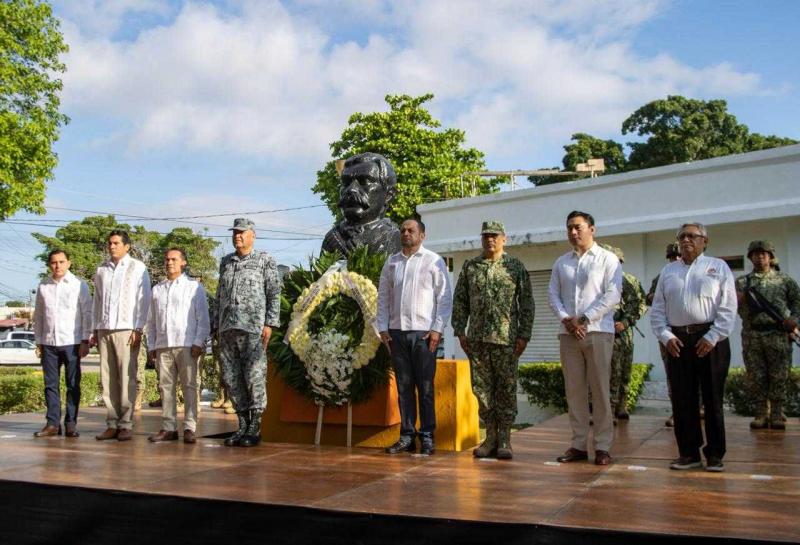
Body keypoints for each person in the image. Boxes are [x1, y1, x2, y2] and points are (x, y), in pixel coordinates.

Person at [650, 223, 737, 472]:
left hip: (711, 341)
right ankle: (688, 453)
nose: (686, 240)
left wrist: (713, 336)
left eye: (692, 236)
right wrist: (666, 336)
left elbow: (728, 306)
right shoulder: (668, 271)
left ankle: (715, 454)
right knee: (682, 400)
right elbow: (657, 309)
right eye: (682, 236)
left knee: (712, 399)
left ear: (704, 241)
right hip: (678, 342)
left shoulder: (718, 267)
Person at [452, 221, 534, 460]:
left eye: (495, 236)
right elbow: (460, 301)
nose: (490, 239)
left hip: (506, 340)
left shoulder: (515, 267)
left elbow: (527, 303)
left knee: (506, 389)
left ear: (504, 239)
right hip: (477, 339)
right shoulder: (471, 267)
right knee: (482, 390)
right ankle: (490, 437)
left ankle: (505, 438)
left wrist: (524, 335)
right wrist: (460, 330)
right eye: (486, 236)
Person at [549, 211, 621, 466]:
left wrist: (585, 318)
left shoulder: (608, 259)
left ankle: (602, 446)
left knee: (600, 390)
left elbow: (612, 295)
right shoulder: (562, 263)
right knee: (574, 390)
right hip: (568, 334)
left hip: (598, 332)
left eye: (578, 227)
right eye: (569, 227)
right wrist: (567, 319)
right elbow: (553, 295)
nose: (573, 232)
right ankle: (578, 444)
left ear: (592, 229)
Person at [378, 219, 452, 455]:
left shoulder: (433, 261)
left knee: (426, 387)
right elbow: (383, 298)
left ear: (422, 235)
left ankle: (427, 435)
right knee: (403, 387)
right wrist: (383, 328)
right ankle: (407, 435)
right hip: (397, 334)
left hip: (423, 335)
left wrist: (437, 329)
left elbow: (444, 298)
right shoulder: (392, 263)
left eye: (411, 230)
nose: (405, 233)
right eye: (403, 230)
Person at [216, 218, 281, 447]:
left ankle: (255, 427)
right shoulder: (226, 262)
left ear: (253, 235)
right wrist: (217, 325)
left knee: (254, 377)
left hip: (252, 329)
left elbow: (274, 293)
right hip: (227, 329)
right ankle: (242, 424)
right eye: (235, 233)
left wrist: (269, 324)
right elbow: (219, 295)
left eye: (242, 233)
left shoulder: (264, 261)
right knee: (232, 379)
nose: (237, 236)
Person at [92, 230, 151, 441]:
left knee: (127, 376)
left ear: (127, 246)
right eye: (110, 243)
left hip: (127, 329)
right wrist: (94, 329)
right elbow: (96, 301)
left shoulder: (138, 267)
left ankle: (126, 423)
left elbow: (144, 300)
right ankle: (112, 423)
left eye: (117, 243)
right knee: (107, 379)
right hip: (104, 328)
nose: (112, 246)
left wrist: (138, 328)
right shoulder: (101, 270)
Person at [146, 248, 210, 444]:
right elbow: (151, 321)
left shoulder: (193, 287)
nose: (169, 262)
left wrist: (198, 342)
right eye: (166, 259)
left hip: (186, 345)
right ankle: (168, 427)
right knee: (165, 388)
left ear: (183, 262)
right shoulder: (157, 289)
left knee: (190, 386)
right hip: (164, 345)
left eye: (174, 259)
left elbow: (203, 319)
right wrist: (151, 346)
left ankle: (190, 427)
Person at [735, 240, 800, 430]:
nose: (759, 257)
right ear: (750, 257)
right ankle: (761, 413)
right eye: (754, 254)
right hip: (752, 334)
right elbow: (733, 306)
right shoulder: (741, 282)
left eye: (763, 253)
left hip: (777, 334)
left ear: (771, 257)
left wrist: (794, 320)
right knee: (756, 376)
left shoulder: (784, 280)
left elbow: (797, 302)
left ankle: (778, 413)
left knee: (779, 375)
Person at [32, 250, 92, 438]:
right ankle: (52, 424)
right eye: (53, 262)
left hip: (72, 342)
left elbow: (87, 314)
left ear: (69, 263)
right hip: (49, 343)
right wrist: (39, 341)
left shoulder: (78, 285)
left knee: (73, 384)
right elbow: (39, 316)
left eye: (61, 262)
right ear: (49, 265)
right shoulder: (44, 286)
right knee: (50, 384)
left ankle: (71, 424)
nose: (57, 266)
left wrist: (85, 340)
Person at [321, 152, 401, 257]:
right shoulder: (332, 239)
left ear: (388, 195)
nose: (351, 189)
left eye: (364, 181)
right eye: (346, 183)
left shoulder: (394, 238)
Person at [604, 245, 647, 420]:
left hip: (625, 334)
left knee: (625, 372)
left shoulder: (630, 281)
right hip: (607, 333)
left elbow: (641, 304)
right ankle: (610, 410)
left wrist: (626, 321)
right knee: (611, 372)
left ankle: (622, 406)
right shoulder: (601, 281)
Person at [646, 243, 681, 427]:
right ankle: (678, 412)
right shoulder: (661, 277)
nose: (675, 259)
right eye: (671, 257)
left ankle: (698, 409)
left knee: (697, 374)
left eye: (678, 256)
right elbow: (649, 298)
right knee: (673, 374)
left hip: (693, 332)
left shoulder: (697, 272)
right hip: (669, 333)